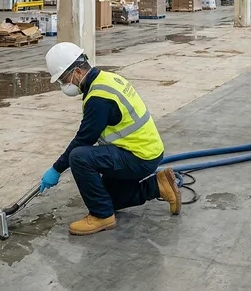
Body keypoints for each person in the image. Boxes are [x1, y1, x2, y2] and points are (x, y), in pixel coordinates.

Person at [39, 42, 181, 235]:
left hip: (138, 156)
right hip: (144, 151)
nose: (65, 85)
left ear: (78, 72)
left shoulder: (99, 98)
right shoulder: (107, 79)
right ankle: (158, 186)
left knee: (79, 156)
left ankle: (101, 216)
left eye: (65, 79)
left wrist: (56, 169)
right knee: (107, 197)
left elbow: (84, 140)